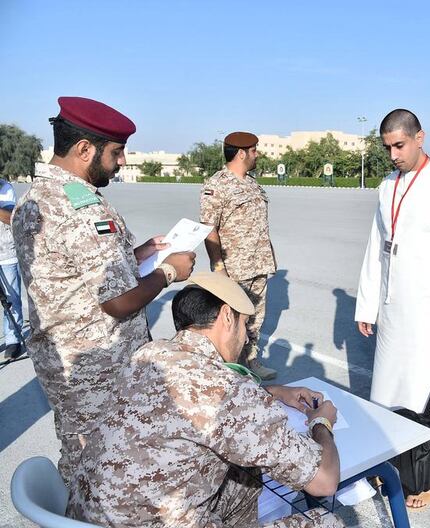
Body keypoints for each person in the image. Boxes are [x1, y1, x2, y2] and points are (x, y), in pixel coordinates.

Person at [12, 96, 196, 482]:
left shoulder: (38, 198)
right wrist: (168, 272)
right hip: (97, 369)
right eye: (117, 151)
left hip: (69, 360)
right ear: (84, 149)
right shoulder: (81, 208)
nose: (122, 161)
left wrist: (137, 253)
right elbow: (117, 301)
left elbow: (70, 270)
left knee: (84, 459)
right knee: (99, 472)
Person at [67, 273, 342, 527]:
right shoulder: (227, 389)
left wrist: (274, 393)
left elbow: (193, 403)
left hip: (89, 518)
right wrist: (321, 423)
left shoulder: (150, 353)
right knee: (329, 523)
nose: (246, 339)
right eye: (245, 324)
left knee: (246, 479)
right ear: (226, 316)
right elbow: (324, 482)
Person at [355, 108, 430, 509]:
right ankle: (385, 460)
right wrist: (367, 304)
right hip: (392, 309)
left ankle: (427, 474)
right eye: (387, 147)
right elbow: (377, 248)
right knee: (387, 388)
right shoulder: (387, 185)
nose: (393, 155)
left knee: (427, 395)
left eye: (399, 145)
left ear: (420, 137)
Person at [201, 131, 278, 381]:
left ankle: (251, 360)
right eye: (254, 150)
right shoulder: (218, 185)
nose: (257, 155)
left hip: (258, 263)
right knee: (231, 321)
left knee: (255, 317)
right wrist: (218, 265)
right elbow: (209, 228)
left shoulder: (253, 183)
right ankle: (227, 369)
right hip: (234, 266)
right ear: (242, 153)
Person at [0, 178, 24, 359]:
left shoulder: (5, 188)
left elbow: (11, 219)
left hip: (5, 253)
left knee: (12, 298)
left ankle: (13, 340)